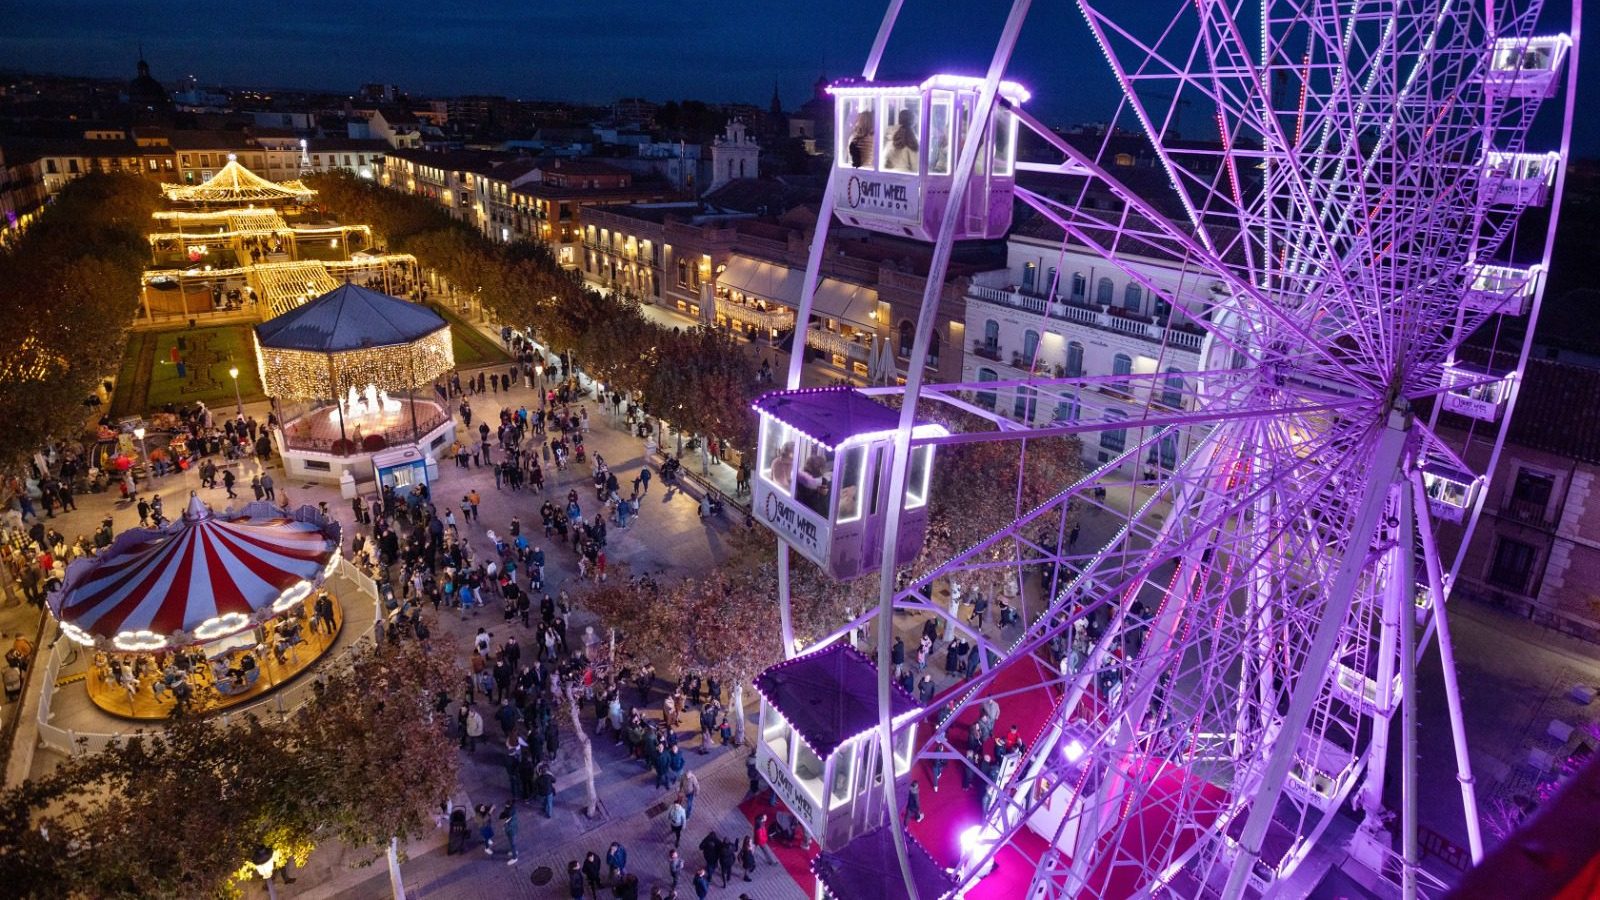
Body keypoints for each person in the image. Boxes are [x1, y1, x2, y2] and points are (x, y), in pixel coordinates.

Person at [883, 107, 919, 172]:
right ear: (913, 122)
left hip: (890, 176)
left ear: (899, 119)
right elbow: (916, 167)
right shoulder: (912, 141)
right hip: (906, 177)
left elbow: (884, 158)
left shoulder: (892, 136)